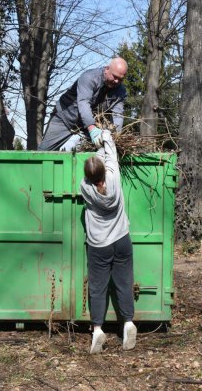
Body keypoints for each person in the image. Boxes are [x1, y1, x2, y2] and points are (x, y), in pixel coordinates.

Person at [80, 129, 136, 354]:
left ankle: (97, 330)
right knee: (123, 283)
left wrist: (94, 146)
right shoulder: (114, 177)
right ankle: (129, 323)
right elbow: (111, 154)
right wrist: (105, 136)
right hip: (122, 239)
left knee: (98, 287)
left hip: (99, 245)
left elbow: (94, 172)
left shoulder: (85, 188)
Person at [38, 58, 128, 151]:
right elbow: (84, 102)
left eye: (120, 79)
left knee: (104, 151)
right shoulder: (89, 77)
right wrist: (92, 129)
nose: (116, 81)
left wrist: (116, 135)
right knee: (44, 153)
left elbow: (117, 114)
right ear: (107, 69)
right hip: (65, 117)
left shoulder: (120, 90)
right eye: (115, 76)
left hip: (90, 123)